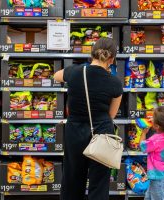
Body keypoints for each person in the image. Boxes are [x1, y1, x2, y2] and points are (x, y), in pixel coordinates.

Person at [54, 38, 123, 200]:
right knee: (99, 182)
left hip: (75, 133)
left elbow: (57, 76)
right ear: (112, 59)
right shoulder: (115, 83)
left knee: (72, 178)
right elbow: (111, 115)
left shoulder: (75, 71)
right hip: (102, 135)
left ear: (92, 54)